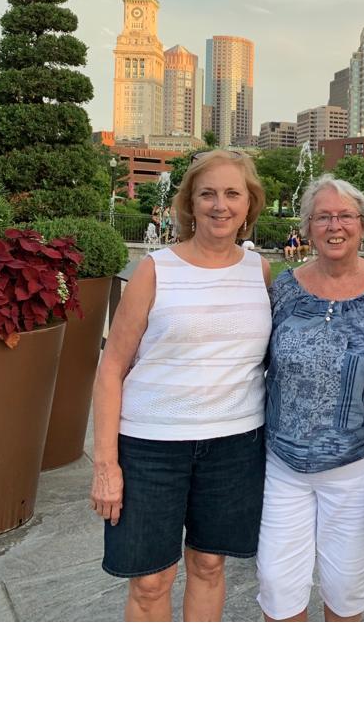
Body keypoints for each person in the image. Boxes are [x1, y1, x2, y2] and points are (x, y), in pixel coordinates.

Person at [91, 149, 271, 621]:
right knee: (151, 582)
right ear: (189, 204)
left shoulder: (260, 271)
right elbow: (111, 368)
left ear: (249, 205)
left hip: (234, 445)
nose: (220, 205)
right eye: (207, 194)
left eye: (233, 194)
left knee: (210, 565)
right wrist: (106, 466)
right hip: (151, 447)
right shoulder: (155, 269)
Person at [257, 175, 364, 622]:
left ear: (363, 225)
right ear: (307, 228)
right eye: (322, 216)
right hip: (282, 464)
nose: (334, 225)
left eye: (345, 216)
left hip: (359, 468)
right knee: (277, 584)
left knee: (346, 588)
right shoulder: (282, 289)